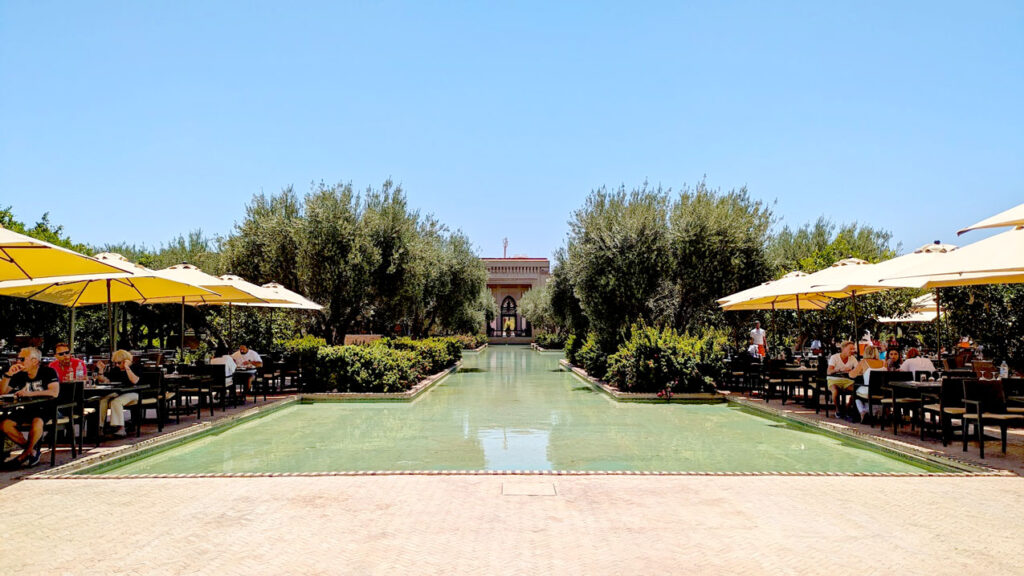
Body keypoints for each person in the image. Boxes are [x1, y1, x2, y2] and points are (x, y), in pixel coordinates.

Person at [0, 347, 59, 467]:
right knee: (4, 424)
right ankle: (31, 451)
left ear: (34, 361)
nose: (18, 362)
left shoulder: (48, 372)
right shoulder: (19, 374)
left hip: (47, 408)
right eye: (18, 359)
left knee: (37, 421)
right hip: (27, 408)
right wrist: (8, 375)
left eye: (22, 359)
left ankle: (25, 455)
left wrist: (29, 394)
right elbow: (2, 392)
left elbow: (54, 392)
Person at [95, 350, 140, 437]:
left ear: (126, 360)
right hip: (119, 392)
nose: (117, 365)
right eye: (115, 363)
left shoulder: (135, 367)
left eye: (119, 363)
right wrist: (101, 371)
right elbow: (105, 381)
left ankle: (120, 428)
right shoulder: (116, 370)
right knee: (103, 400)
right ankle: (100, 427)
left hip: (133, 392)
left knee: (116, 402)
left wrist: (127, 368)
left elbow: (135, 381)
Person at [852, 345, 885, 423]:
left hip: (869, 389)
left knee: (855, 393)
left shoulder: (864, 362)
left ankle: (862, 412)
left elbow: (852, 375)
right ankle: (874, 413)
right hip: (882, 391)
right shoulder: (884, 362)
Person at [827, 341, 858, 416]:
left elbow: (857, 370)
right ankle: (838, 410)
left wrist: (853, 371)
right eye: (850, 349)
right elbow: (829, 371)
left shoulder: (852, 358)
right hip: (834, 379)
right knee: (835, 390)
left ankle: (847, 408)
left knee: (857, 391)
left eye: (853, 349)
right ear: (843, 348)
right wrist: (840, 370)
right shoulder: (834, 357)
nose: (853, 351)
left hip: (847, 380)